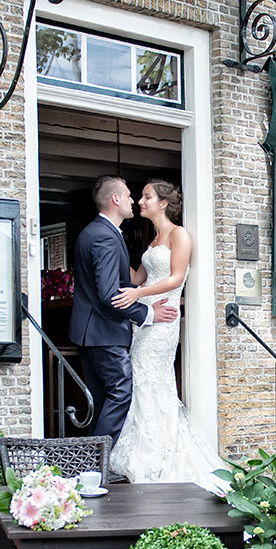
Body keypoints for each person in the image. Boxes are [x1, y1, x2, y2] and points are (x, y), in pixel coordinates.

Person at [107, 179, 227, 495]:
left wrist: (138, 294)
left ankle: (157, 456)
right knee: (141, 382)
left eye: (146, 197)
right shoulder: (154, 239)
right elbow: (136, 277)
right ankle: (147, 451)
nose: (141, 201)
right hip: (144, 320)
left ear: (163, 203)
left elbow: (175, 278)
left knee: (151, 380)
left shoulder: (179, 235)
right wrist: (115, 246)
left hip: (163, 321)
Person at [70, 175, 177, 449]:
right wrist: (147, 313)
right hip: (104, 333)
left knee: (102, 399)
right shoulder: (104, 236)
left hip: (92, 334)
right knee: (120, 392)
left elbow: (128, 279)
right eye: (130, 195)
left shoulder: (96, 232)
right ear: (115, 199)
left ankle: (90, 464)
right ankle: (95, 461)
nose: (134, 201)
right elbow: (108, 294)